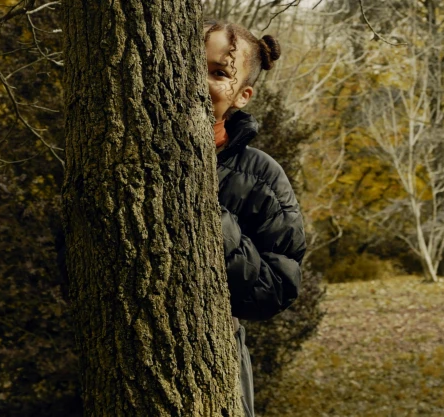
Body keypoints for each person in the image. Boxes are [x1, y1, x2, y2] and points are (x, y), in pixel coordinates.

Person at [203, 19, 306, 417]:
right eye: (190, 66)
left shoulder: (261, 176)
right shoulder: (125, 150)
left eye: (218, 73)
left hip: (215, 362)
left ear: (243, 95)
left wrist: (215, 226)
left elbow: (278, 289)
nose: (198, 82)